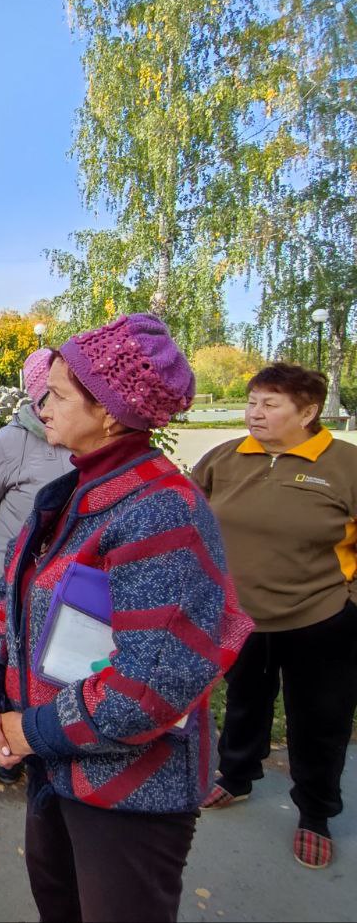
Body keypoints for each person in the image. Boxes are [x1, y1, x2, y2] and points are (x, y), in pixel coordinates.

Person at [0, 313, 252, 923]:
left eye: (59, 394)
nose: (40, 402)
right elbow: (6, 601)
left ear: (112, 414)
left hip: (127, 796)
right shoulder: (70, 492)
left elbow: (147, 690)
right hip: (57, 771)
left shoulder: (162, 514)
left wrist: (28, 731)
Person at [190, 363, 357, 870]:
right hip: (243, 618)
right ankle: (237, 778)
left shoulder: (344, 466)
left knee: (319, 720)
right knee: (245, 703)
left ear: (308, 412)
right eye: (252, 402)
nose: (255, 414)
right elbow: (190, 513)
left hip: (321, 618)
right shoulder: (226, 458)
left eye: (271, 404)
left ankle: (316, 814)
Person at [0, 349, 72, 784]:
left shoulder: (93, 447)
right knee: (13, 647)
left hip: (72, 578)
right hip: (18, 573)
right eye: (50, 394)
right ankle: (6, 747)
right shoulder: (13, 440)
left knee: (62, 654)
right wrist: (19, 538)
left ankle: (54, 739)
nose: (53, 405)